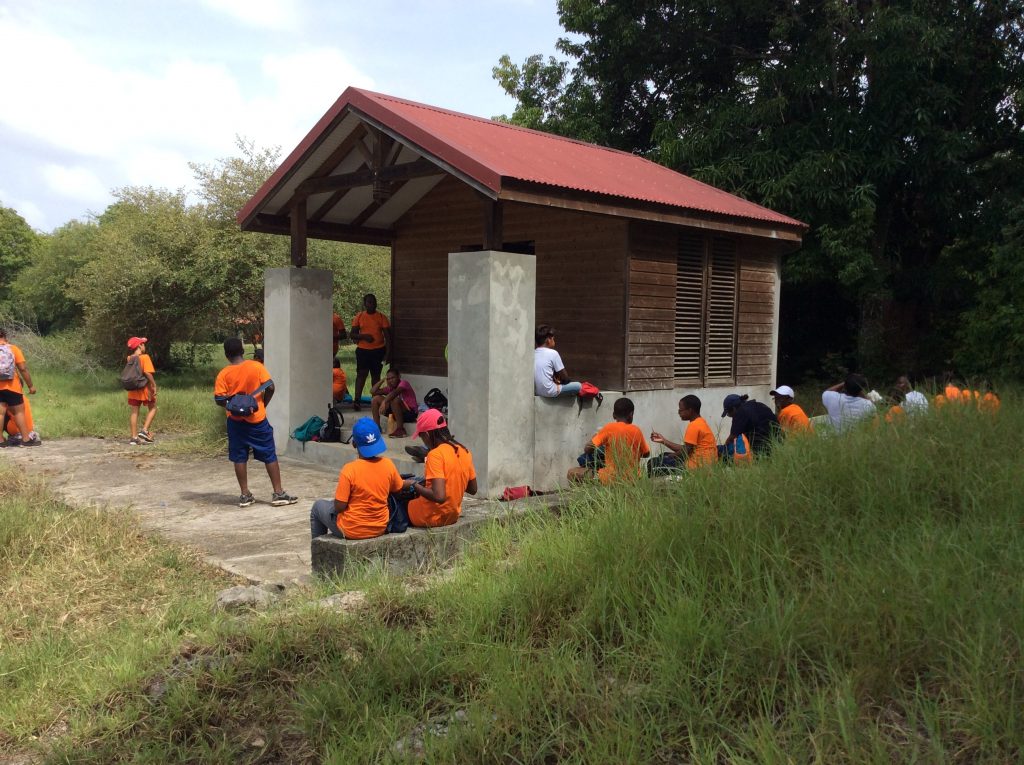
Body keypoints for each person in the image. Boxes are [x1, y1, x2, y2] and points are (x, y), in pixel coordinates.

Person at [213, 337, 298, 508]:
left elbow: (219, 399)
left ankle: (245, 495)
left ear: (226, 355)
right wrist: (263, 404)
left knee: (239, 457)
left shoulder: (224, 373)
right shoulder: (256, 366)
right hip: (257, 420)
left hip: (235, 422)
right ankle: (278, 493)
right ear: (243, 351)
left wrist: (234, 406)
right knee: (269, 454)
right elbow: (270, 386)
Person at [309, 418, 405, 540]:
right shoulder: (388, 464)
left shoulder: (349, 469)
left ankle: (318, 548)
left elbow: (340, 507)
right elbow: (398, 489)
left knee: (318, 507)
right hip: (380, 527)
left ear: (354, 444)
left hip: (351, 530)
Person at [405, 409, 478, 528]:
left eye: (422, 436)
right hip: (451, 516)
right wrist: (453, 481)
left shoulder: (435, 455)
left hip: (430, 517)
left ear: (427, 434)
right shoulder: (464, 451)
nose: (423, 441)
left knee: (395, 501)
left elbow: (439, 496)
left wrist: (414, 485)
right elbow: (473, 489)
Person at [567, 397, 650, 483]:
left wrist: (595, 437)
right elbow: (646, 454)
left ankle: (588, 491)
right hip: (634, 477)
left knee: (572, 472)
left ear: (614, 415)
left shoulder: (609, 428)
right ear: (631, 414)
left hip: (611, 478)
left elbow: (587, 449)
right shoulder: (637, 430)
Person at [650, 394, 718, 471]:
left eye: (681, 410)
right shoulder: (701, 422)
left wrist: (672, 456)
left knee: (652, 462)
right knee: (663, 455)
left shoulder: (694, 425)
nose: (679, 412)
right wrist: (663, 441)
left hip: (696, 467)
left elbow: (685, 451)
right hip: (707, 465)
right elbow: (687, 448)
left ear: (690, 410)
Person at [349, 294, 391, 410]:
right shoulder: (359, 316)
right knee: (361, 375)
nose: (372, 304)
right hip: (363, 351)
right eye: (369, 302)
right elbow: (352, 334)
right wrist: (364, 336)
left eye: (374, 301)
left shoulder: (381, 317)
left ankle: (375, 400)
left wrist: (388, 354)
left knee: (376, 376)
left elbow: (388, 338)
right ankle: (357, 400)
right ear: (365, 304)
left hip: (378, 351)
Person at [0, 327, 40, 447]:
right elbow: (23, 368)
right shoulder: (13, 349)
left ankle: (0, 440)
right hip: (13, 386)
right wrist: (30, 386)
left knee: (0, 413)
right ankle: (26, 439)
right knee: (19, 412)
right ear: (4, 337)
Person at [125, 336, 158, 445]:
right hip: (145, 388)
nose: (144, 346)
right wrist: (154, 385)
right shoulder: (145, 357)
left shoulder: (129, 358)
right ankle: (144, 430)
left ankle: (134, 438)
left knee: (134, 411)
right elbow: (147, 373)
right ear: (140, 345)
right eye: (143, 344)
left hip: (133, 389)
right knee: (153, 407)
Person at [534, 324, 581, 397]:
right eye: (553, 338)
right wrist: (564, 382)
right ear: (548, 340)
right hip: (550, 391)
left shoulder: (533, 353)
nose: (554, 340)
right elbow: (565, 377)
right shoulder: (553, 353)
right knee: (578, 386)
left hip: (537, 392)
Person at [370, 367, 417, 437]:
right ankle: (377, 428)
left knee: (395, 399)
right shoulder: (390, 388)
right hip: (396, 413)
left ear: (399, 376)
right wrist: (382, 380)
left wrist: (384, 401)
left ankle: (401, 430)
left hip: (410, 413)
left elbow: (395, 393)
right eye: (388, 379)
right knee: (375, 399)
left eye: (393, 378)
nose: (390, 381)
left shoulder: (404, 383)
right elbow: (373, 391)